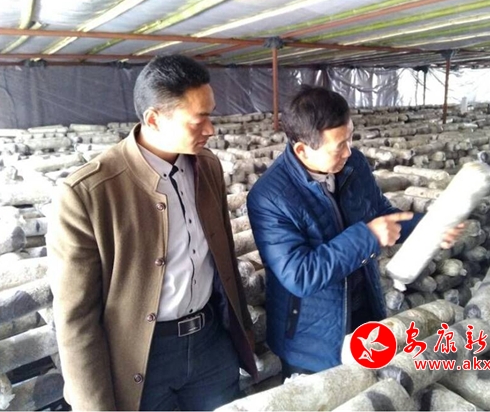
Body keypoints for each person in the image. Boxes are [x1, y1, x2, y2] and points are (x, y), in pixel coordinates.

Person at [48, 55, 256, 411]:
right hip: (142, 358)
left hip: (210, 343)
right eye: (199, 119)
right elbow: (75, 317)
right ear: (154, 119)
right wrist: (93, 405)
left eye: (212, 115)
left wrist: (241, 333)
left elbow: (223, 258)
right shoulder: (89, 192)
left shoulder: (207, 167)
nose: (211, 129)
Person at [247, 85, 463, 377]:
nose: (348, 151)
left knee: (369, 386)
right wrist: (368, 236)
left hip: (364, 310)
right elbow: (299, 275)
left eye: (350, 138)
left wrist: (430, 227)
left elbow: (381, 213)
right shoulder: (269, 197)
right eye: (339, 145)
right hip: (311, 338)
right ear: (302, 149)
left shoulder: (353, 165)